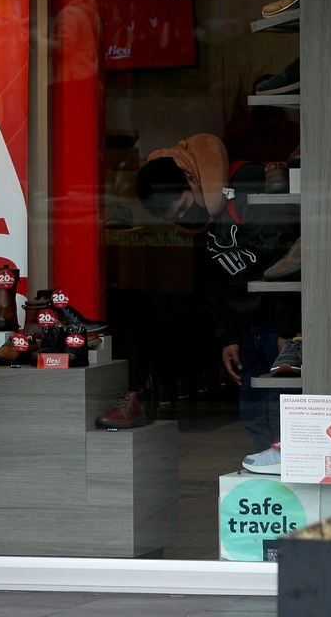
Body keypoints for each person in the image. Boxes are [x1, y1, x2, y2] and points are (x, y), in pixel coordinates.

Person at [135, 133, 300, 454]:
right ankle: (268, 477)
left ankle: (289, 474)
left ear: (191, 177)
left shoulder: (248, 184)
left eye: (184, 207)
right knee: (255, 414)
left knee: (285, 412)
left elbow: (286, 261)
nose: (186, 219)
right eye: (176, 220)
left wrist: (287, 330)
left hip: (280, 326)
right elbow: (214, 280)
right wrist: (228, 337)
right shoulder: (199, 221)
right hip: (249, 330)